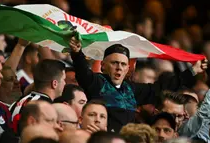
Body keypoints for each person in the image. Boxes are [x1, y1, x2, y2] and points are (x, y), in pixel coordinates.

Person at [69, 36, 207, 132]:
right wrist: (76, 54)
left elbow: (160, 88)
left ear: (127, 69)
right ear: (103, 66)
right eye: (114, 63)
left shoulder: (131, 89)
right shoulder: (97, 82)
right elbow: (83, 73)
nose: (119, 68)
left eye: (123, 64)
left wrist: (193, 71)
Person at [10, 59, 66, 131]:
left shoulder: (17, 102)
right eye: (64, 79)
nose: (65, 83)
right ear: (54, 84)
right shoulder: (47, 109)